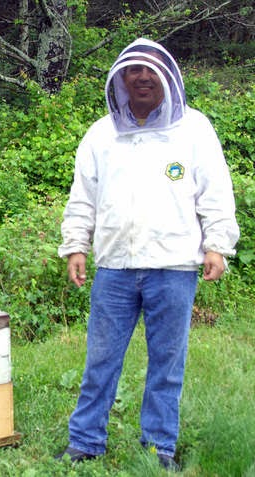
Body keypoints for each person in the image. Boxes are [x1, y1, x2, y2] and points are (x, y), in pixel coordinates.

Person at [55, 38, 240, 471]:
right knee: (100, 360)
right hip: (115, 266)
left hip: (173, 267)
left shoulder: (194, 129)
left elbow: (215, 191)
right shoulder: (101, 134)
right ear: (120, 78)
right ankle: (85, 441)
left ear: (167, 76)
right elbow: (83, 196)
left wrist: (217, 244)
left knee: (167, 364)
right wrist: (76, 245)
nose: (142, 77)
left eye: (150, 70)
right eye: (133, 70)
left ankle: (159, 448)